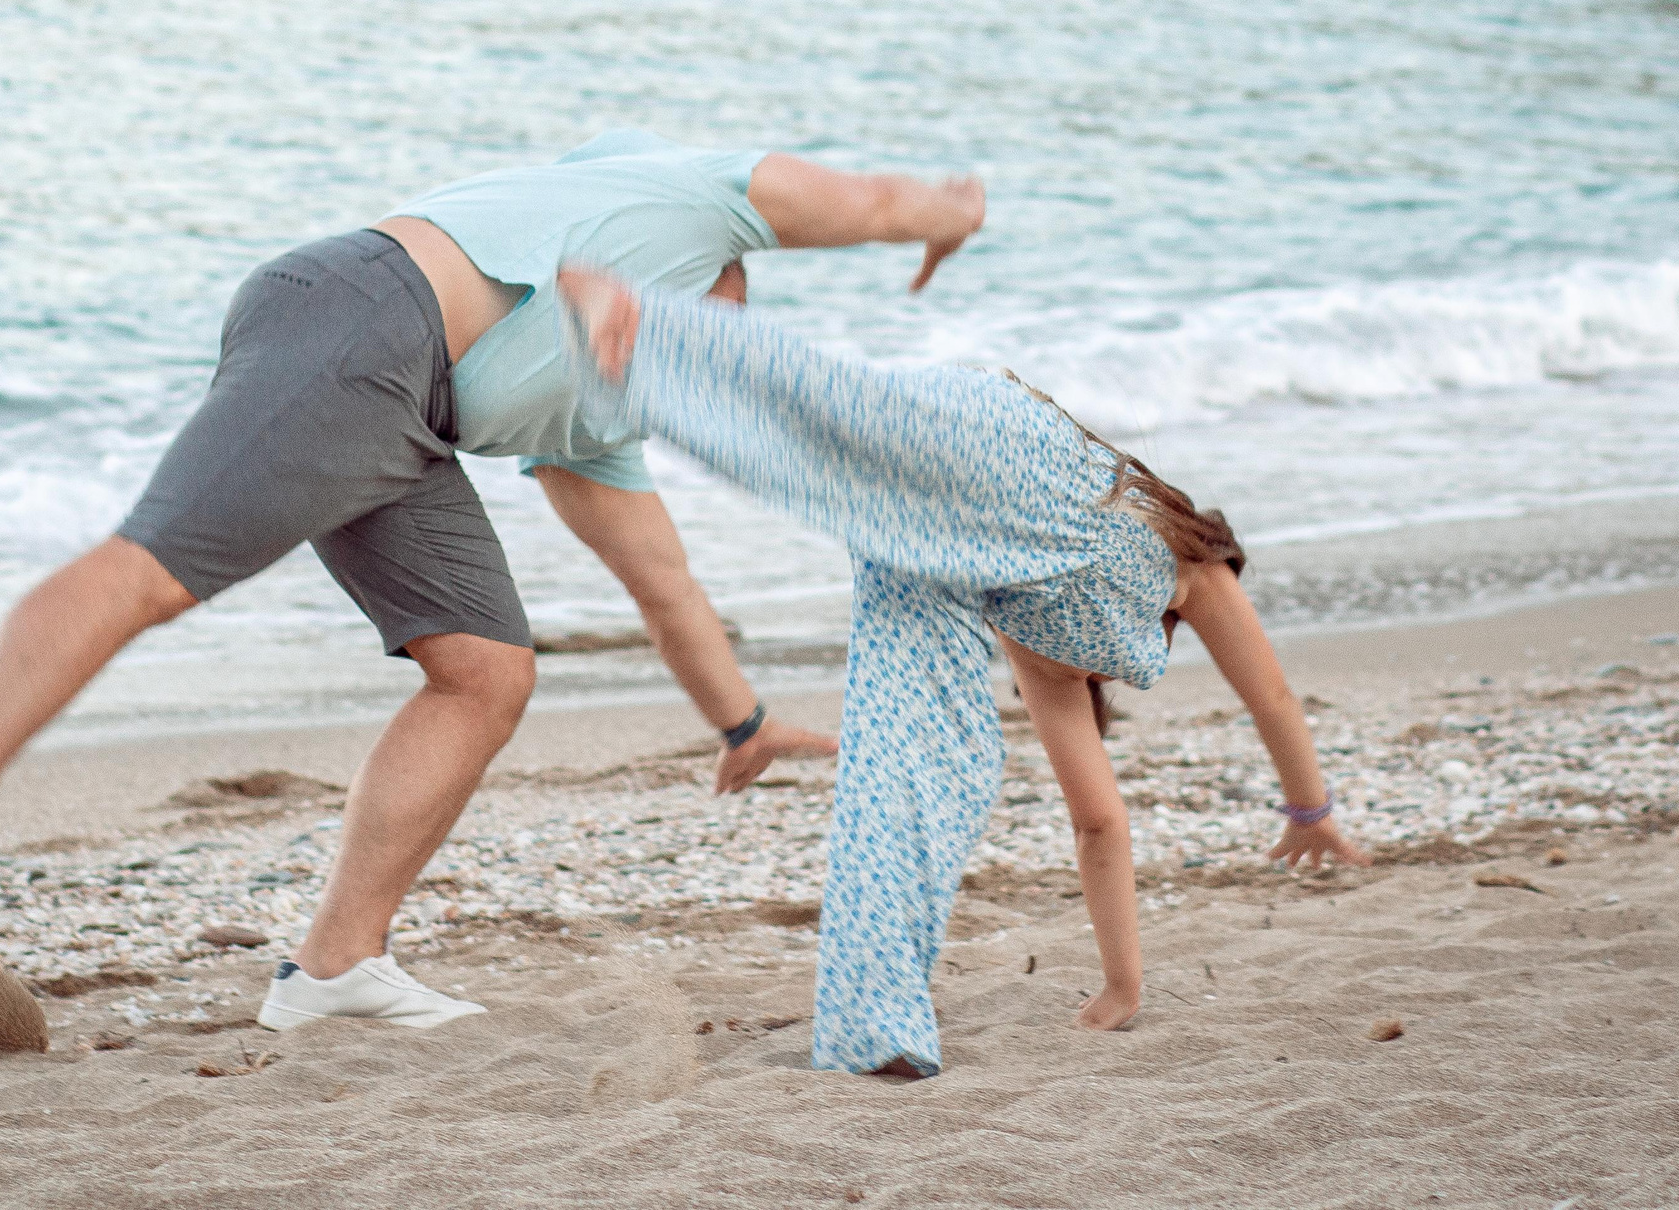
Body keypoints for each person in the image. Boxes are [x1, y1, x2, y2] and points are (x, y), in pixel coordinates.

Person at [0, 131, 987, 1033]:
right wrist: (953, 212)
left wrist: (741, 722)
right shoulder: (693, 203)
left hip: (408, 417)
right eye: (710, 326)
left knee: (484, 672)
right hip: (363, 316)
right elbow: (879, 204)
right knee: (156, 570)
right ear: (716, 277)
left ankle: (334, 966)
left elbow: (664, 585)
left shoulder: (607, 409)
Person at [555, 267, 1368, 1078]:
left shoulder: (1044, 658)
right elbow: (1271, 696)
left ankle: (876, 1028)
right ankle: (641, 316)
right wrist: (1311, 805)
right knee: (837, 416)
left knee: (913, 754)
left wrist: (1125, 983)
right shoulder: (1186, 562)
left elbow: (1100, 824)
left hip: (949, 554)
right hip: (1002, 446)